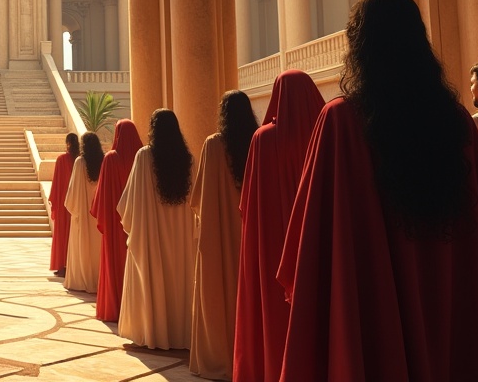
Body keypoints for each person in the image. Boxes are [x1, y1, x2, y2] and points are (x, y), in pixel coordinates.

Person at [277, 0, 478, 381]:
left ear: (359, 47)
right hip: (452, 292)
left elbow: (312, 238)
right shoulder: (454, 119)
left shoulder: (342, 121)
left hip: (374, 303)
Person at [233, 69, 324, 382]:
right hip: (317, 243)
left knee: (275, 316)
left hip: (273, 244)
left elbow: (249, 204)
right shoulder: (324, 133)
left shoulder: (263, 139)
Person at [189, 90, 257, 380]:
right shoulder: (258, 140)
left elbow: (199, 198)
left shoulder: (213, 145)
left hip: (218, 235)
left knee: (218, 295)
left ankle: (220, 358)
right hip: (250, 233)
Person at [118, 109, 195, 350]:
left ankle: (155, 333)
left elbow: (128, 204)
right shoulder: (188, 159)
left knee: (155, 280)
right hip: (181, 237)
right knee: (180, 282)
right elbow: (196, 201)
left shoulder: (144, 157)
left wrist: (135, 226)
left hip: (153, 236)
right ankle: (180, 333)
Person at [91, 118, 144, 321]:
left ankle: (115, 308)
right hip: (139, 222)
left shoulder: (112, 159)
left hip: (115, 223)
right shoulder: (143, 156)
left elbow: (101, 197)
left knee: (116, 263)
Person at [64, 131, 103, 294]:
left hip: (82, 211)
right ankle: (98, 279)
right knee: (97, 247)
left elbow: (72, 192)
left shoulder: (80, 162)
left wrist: (72, 207)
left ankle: (82, 280)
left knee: (82, 246)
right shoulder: (104, 161)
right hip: (98, 212)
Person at [49, 132, 78, 276]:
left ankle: (61, 266)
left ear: (67, 143)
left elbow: (56, 183)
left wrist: (54, 199)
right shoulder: (81, 159)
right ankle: (75, 265)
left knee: (62, 235)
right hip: (77, 203)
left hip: (63, 203)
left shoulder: (61, 159)